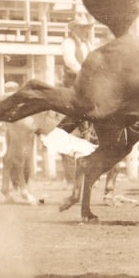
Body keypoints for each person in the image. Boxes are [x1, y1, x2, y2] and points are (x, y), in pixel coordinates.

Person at [56, 12, 97, 183]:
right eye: (82, 28)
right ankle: (72, 179)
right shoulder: (68, 43)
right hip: (73, 85)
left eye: (87, 28)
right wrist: (85, 74)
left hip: (87, 85)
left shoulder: (88, 44)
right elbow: (70, 62)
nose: (85, 31)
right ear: (75, 28)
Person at [0, 81, 39, 204]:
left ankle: (7, 188)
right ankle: (23, 190)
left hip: (14, 127)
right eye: (8, 89)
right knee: (20, 158)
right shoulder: (13, 99)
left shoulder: (7, 99)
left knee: (12, 157)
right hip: (22, 127)